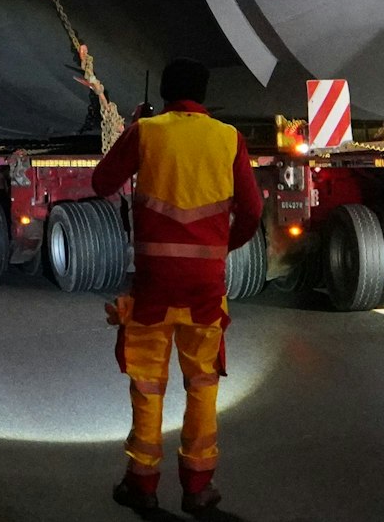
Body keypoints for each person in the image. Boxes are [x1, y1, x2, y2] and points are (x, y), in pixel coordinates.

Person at [91, 58, 263, 516]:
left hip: (152, 290)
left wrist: (134, 132)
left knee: (148, 385)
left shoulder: (148, 132)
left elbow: (101, 181)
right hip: (206, 290)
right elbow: (251, 210)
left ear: (165, 92)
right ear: (204, 94)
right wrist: (222, 247)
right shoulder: (228, 138)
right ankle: (198, 489)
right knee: (202, 384)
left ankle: (141, 486)